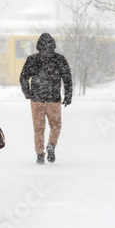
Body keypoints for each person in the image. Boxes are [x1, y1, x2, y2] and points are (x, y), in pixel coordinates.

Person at [19, 33, 72, 164]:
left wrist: (27, 92)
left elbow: (23, 77)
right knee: (55, 124)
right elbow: (67, 79)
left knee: (38, 128)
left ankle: (40, 154)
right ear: (53, 45)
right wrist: (68, 95)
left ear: (38, 46)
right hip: (53, 98)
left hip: (37, 98)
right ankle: (51, 144)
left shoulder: (32, 59)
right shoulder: (60, 59)